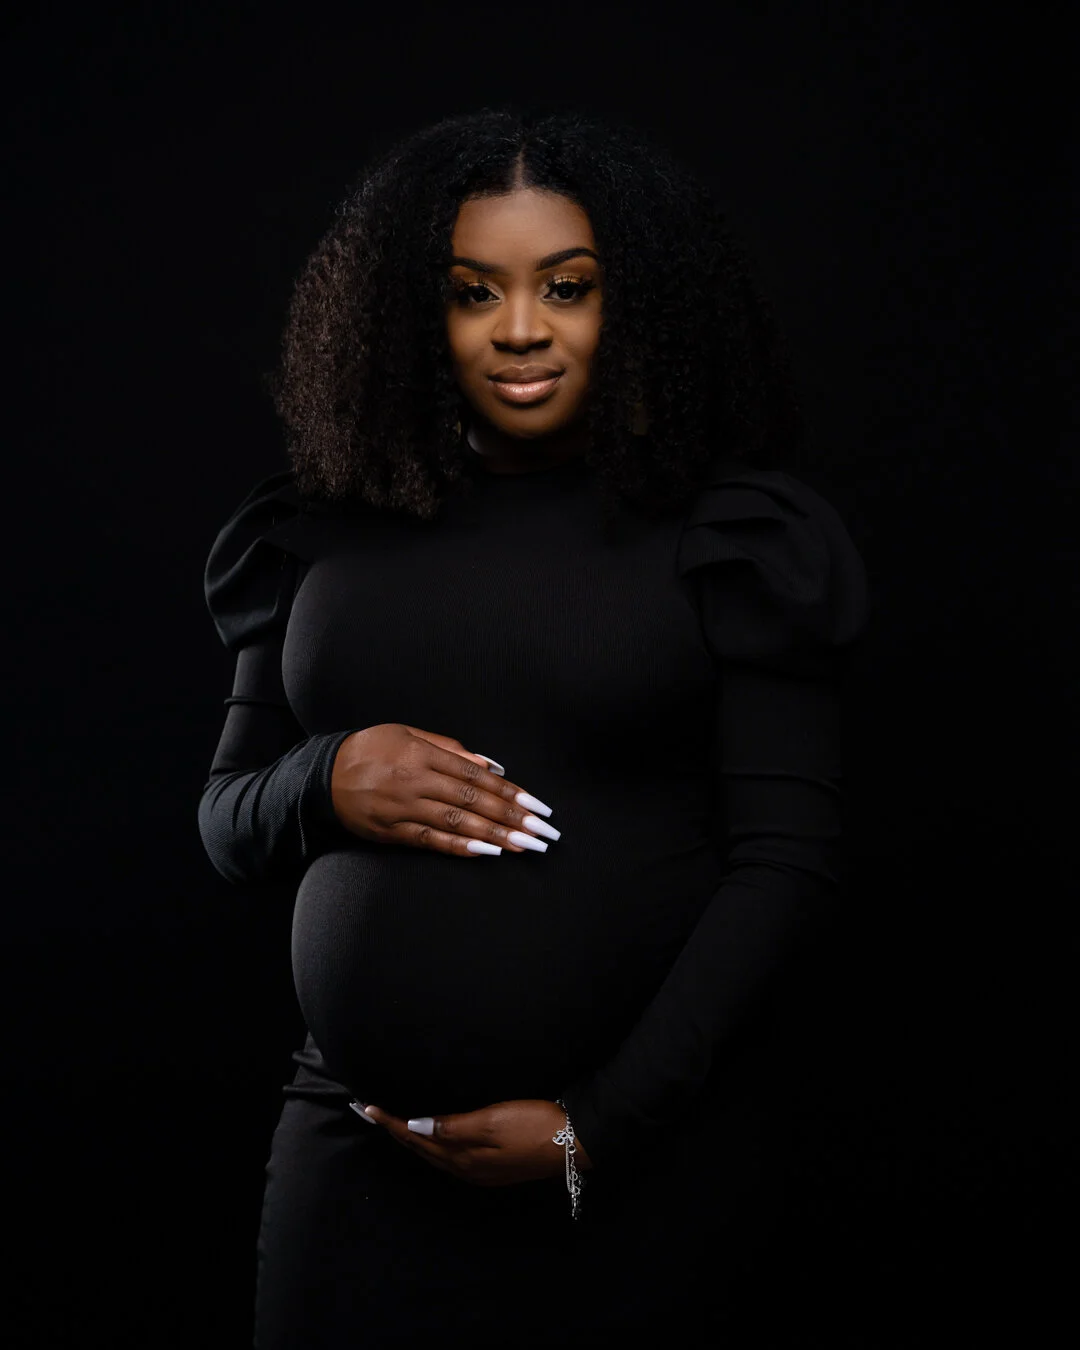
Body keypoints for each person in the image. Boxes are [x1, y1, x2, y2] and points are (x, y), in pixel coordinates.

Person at [198, 105, 869, 1344]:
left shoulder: (727, 537)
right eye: (473, 292)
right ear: (412, 313)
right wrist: (324, 778)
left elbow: (787, 863)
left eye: (567, 287)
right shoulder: (323, 527)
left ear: (639, 303)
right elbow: (226, 822)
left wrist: (594, 1127)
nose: (519, 329)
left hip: (640, 1157)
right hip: (353, 1146)